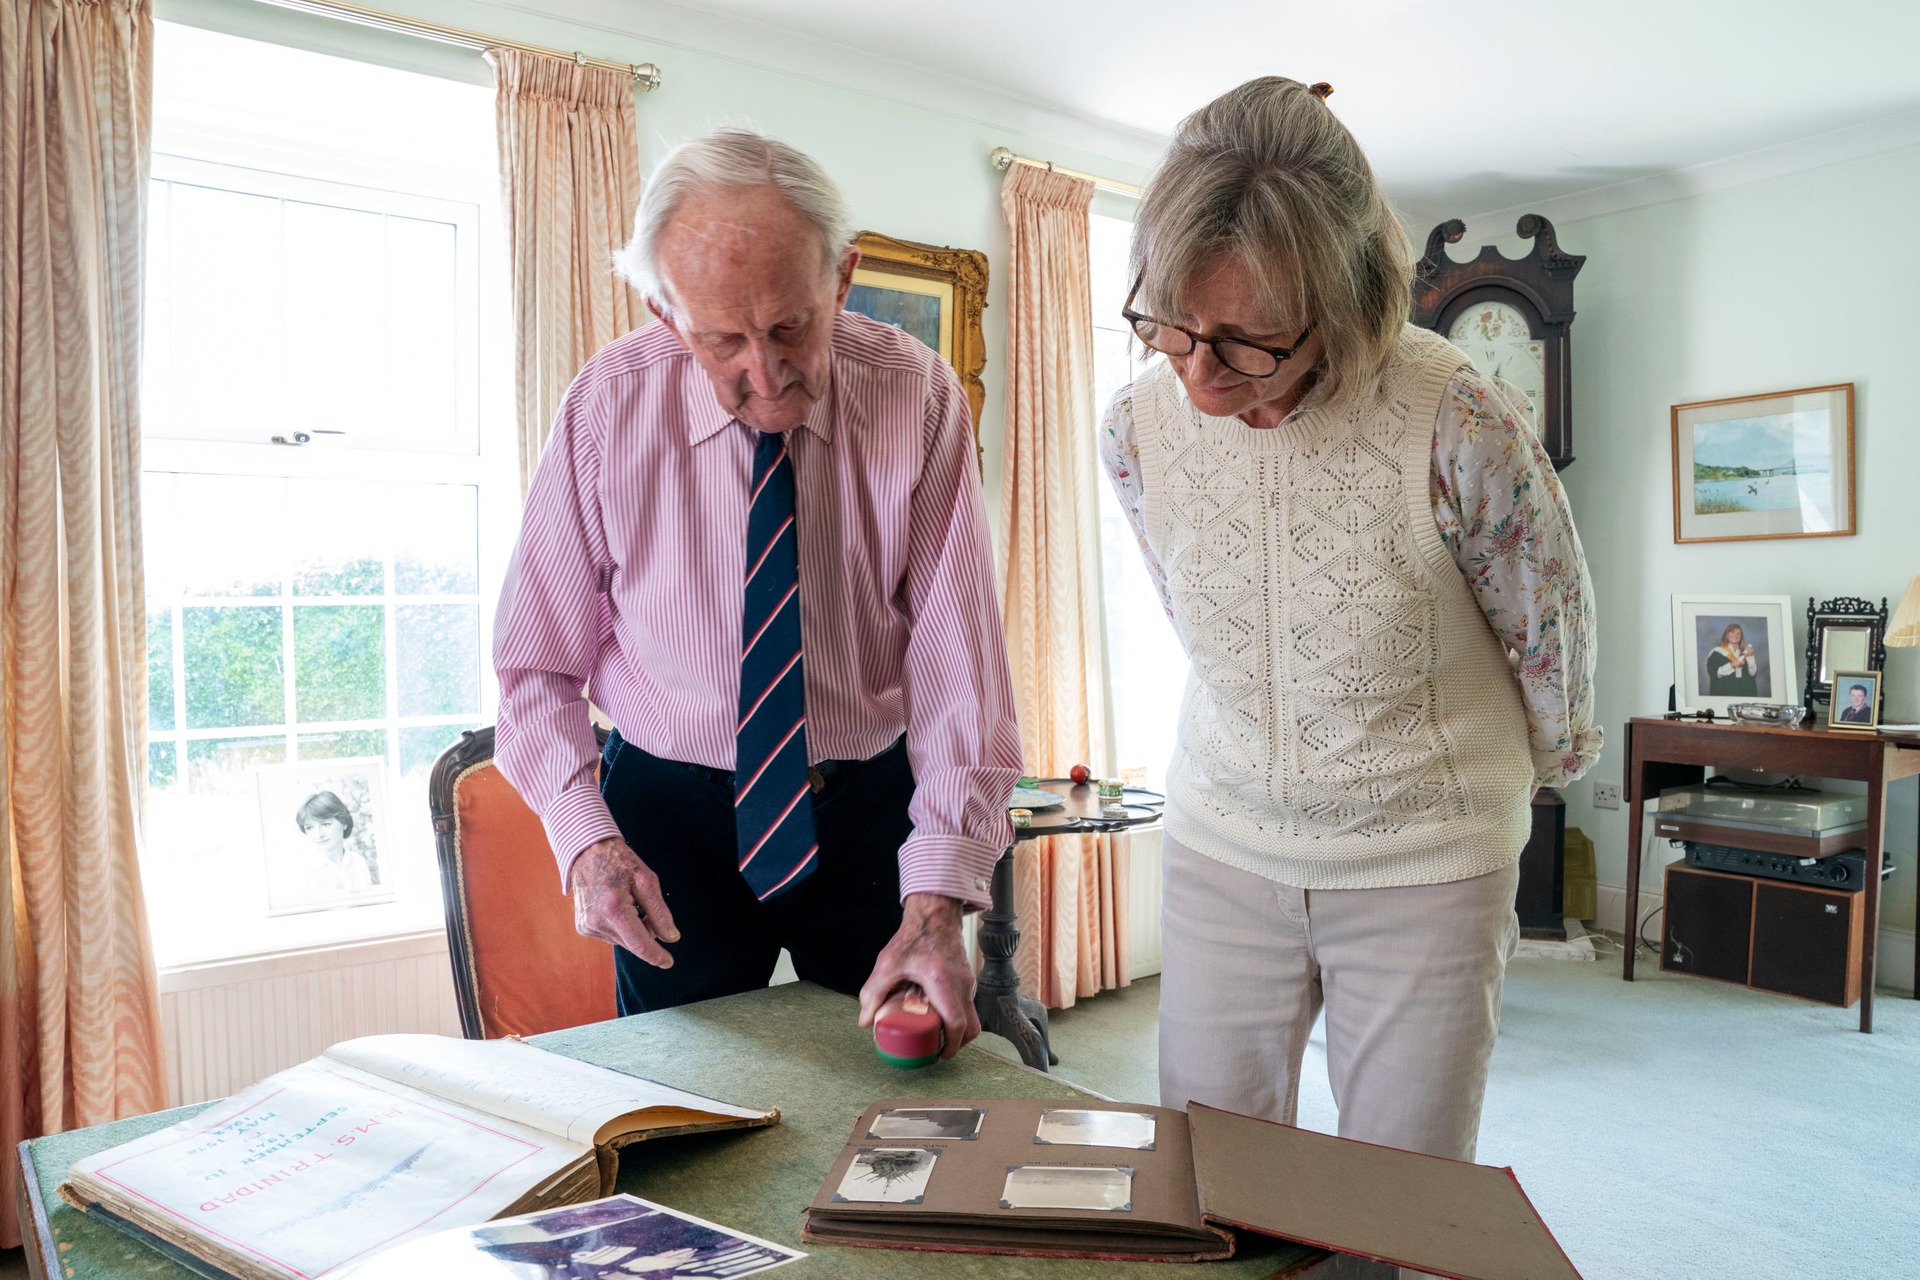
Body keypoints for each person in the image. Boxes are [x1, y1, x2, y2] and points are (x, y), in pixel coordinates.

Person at [1099, 77, 1600, 1163]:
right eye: (1173, 327)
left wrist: (1525, 781)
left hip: (1428, 854)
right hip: (1223, 836)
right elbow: (1198, 612)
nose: (1198, 375)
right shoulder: (1134, 427)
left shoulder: (1454, 411)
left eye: (1246, 343)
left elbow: (1548, 630)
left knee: (1400, 1194)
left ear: (1343, 302)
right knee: (1206, 1173)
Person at [493, 128, 1021, 1056]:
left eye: (790, 327)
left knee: (896, 1095)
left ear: (842, 279)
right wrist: (588, 842)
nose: (765, 374)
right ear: (665, 314)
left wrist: (942, 893)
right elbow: (535, 666)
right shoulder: (607, 406)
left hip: (864, 807)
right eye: (721, 340)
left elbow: (958, 668)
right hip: (667, 821)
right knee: (681, 1097)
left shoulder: (917, 395)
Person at [293, 790, 374, 894]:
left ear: (344, 823)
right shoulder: (303, 870)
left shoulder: (358, 862)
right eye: (309, 828)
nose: (318, 834)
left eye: (326, 824)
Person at [1707, 623, 1759, 696]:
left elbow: (1752, 673)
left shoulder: (1744, 653)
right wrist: (1732, 665)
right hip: (1725, 693)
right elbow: (1716, 674)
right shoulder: (1717, 652)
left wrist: (1750, 657)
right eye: (1732, 632)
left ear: (1741, 637)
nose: (1735, 635)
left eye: (1738, 633)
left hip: (1743, 693)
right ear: (1726, 634)